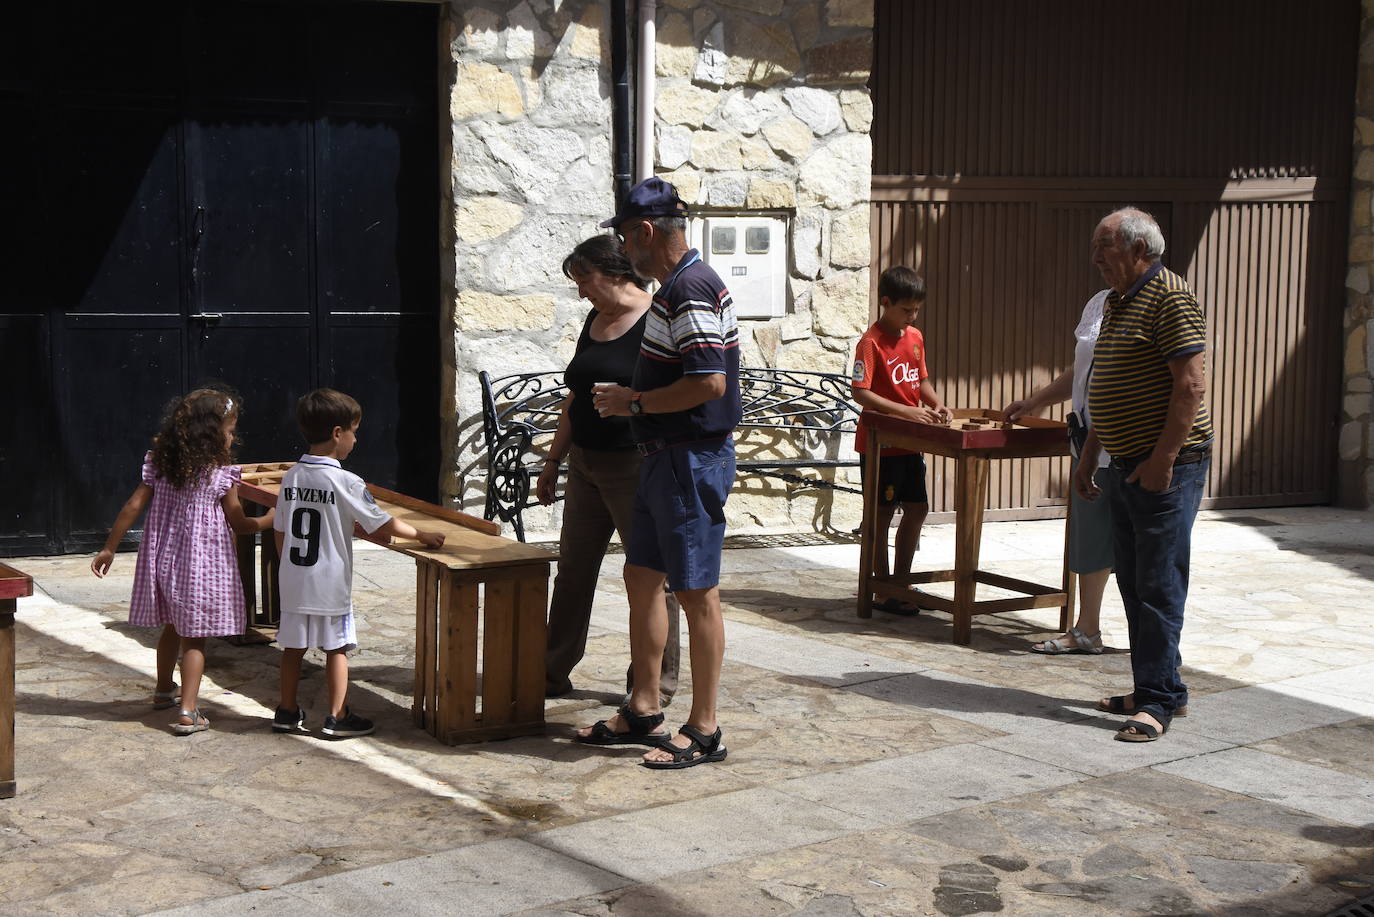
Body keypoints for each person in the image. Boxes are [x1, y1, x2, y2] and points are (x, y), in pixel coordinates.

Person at [575, 176, 741, 769]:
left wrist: (634, 403)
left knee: (697, 593)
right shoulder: (678, 285)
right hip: (662, 459)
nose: (625, 251)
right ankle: (644, 706)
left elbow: (709, 383)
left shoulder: (690, 287)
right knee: (642, 578)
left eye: (625, 237)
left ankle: (704, 728)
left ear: (646, 231)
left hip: (687, 458)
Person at [1074, 208, 1212, 743]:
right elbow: (1109, 386)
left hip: (1165, 472)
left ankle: (1155, 704)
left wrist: (1162, 461)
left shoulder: (1171, 296)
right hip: (1124, 466)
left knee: (1157, 584)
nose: (1096, 260)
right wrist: (1089, 460)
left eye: (1103, 248)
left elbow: (1190, 386)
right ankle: (1160, 686)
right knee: (1133, 582)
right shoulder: (1116, 303)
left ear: (1137, 249)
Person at [537, 236, 682, 705]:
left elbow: (681, 393)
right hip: (584, 463)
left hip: (634, 465)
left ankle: (654, 683)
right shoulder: (594, 320)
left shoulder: (658, 317)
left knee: (651, 576)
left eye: (585, 279)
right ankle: (551, 672)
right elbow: (576, 396)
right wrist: (553, 460)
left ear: (615, 271)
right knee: (574, 571)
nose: (581, 292)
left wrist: (636, 407)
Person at [92, 387, 276, 735]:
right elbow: (239, 523)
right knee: (196, 639)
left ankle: (164, 691)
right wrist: (271, 518)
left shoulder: (161, 465)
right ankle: (188, 711)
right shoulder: (221, 475)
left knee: (173, 628)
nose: (233, 436)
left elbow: (133, 506)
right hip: (203, 566)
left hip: (166, 559)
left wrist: (109, 548)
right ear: (213, 432)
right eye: (230, 429)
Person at [272, 389, 445, 739]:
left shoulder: (291, 477)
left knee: (293, 647)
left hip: (294, 578)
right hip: (329, 582)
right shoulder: (346, 481)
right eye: (354, 430)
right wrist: (422, 534)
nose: (356, 438)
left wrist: (286, 570)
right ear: (338, 434)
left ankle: (287, 711)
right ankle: (337, 716)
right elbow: (381, 522)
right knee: (337, 648)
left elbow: (280, 530)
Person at [1003, 289, 1112, 655]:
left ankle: (1156, 648)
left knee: (1140, 549)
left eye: (1108, 250)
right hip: (1089, 444)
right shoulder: (1097, 302)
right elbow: (1081, 371)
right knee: (1091, 537)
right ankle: (1087, 629)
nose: (1100, 259)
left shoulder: (1153, 304)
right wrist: (1035, 401)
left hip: (1134, 446)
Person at [851, 266, 952, 615]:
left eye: (916, 310)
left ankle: (901, 580)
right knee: (880, 515)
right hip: (880, 444)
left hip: (910, 443)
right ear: (886, 302)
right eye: (906, 310)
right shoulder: (870, 343)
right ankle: (881, 588)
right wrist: (904, 413)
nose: (912, 316)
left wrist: (936, 402)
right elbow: (860, 393)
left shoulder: (916, 338)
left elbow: (920, 380)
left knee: (917, 509)